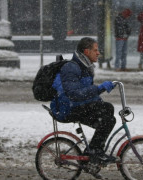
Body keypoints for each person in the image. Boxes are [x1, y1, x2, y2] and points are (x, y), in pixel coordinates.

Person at [50, 37, 116, 178]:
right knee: (107, 114)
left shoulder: (85, 66)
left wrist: (98, 95)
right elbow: (74, 94)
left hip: (76, 106)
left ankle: (93, 152)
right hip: (67, 109)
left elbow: (86, 92)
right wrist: (99, 89)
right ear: (86, 51)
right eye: (95, 50)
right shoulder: (72, 67)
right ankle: (94, 152)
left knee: (108, 113)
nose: (98, 53)